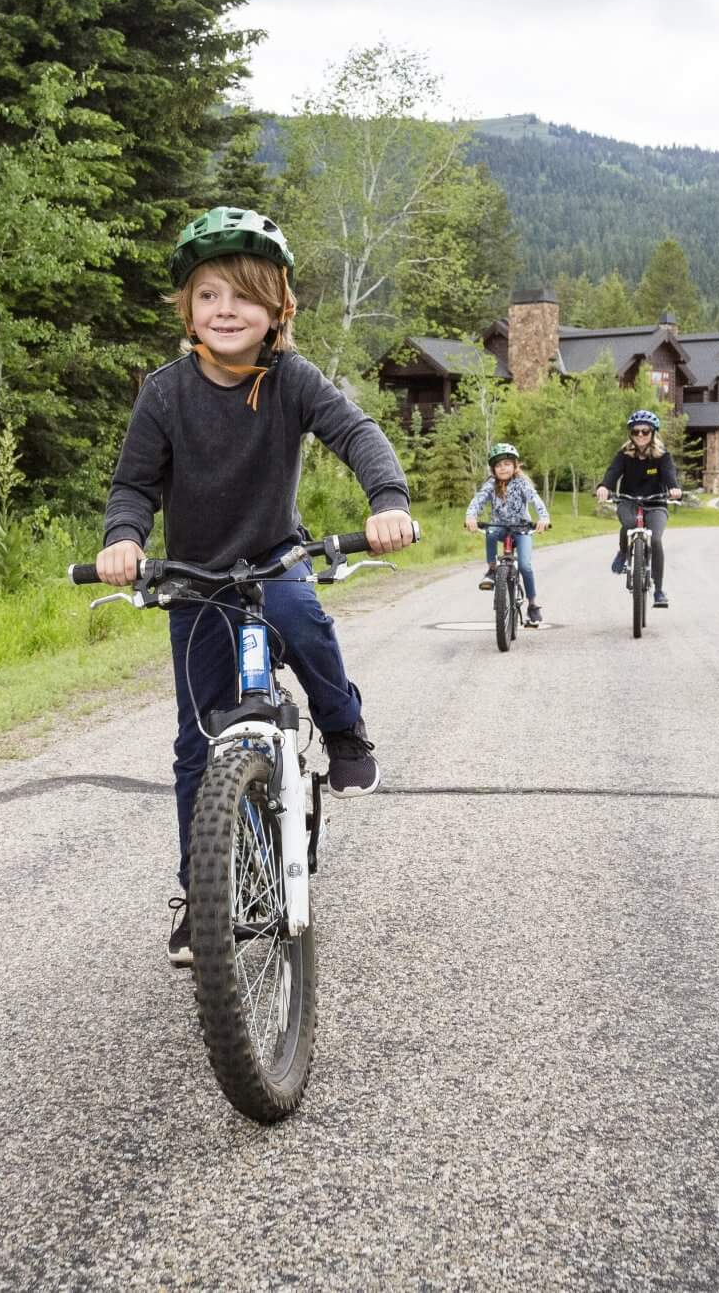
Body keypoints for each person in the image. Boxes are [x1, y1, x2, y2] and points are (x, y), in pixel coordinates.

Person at [93, 206, 416, 965]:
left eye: (243, 295)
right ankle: (199, 897)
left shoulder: (292, 380)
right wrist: (124, 539)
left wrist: (389, 500)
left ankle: (342, 726)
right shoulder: (165, 394)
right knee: (194, 744)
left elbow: (357, 434)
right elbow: (133, 485)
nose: (225, 309)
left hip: (273, 559)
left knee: (302, 617)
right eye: (208, 295)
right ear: (188, 311)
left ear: (278, 310)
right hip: (194, 583)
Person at [595, 409, 679, 608]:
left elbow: (669, 475)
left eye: (645, 431)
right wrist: (604, 486)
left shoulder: (662, 457)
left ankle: (658, 590)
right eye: (636, 431)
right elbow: (613, 472)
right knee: (630, 523)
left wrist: (674, 488)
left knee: (656, 540)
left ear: (653, 433)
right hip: (628, 500)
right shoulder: (624, 455)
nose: (640, 435)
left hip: (656, 503)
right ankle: (624, 551)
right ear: (630, 434)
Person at [465, 442, 549, 628]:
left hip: (522, 529)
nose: (503, 468)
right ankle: (493, 569)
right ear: (493, 469)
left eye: (507, 464)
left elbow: (535, 499)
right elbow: (478, 500)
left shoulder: (521, 483)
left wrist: (543, 517)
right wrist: (471, 516)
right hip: (500, 527)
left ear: (515, 466)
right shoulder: (491, 484)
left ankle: (533, 604)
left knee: (526, 566)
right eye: (498, 465)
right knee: (491, 532)